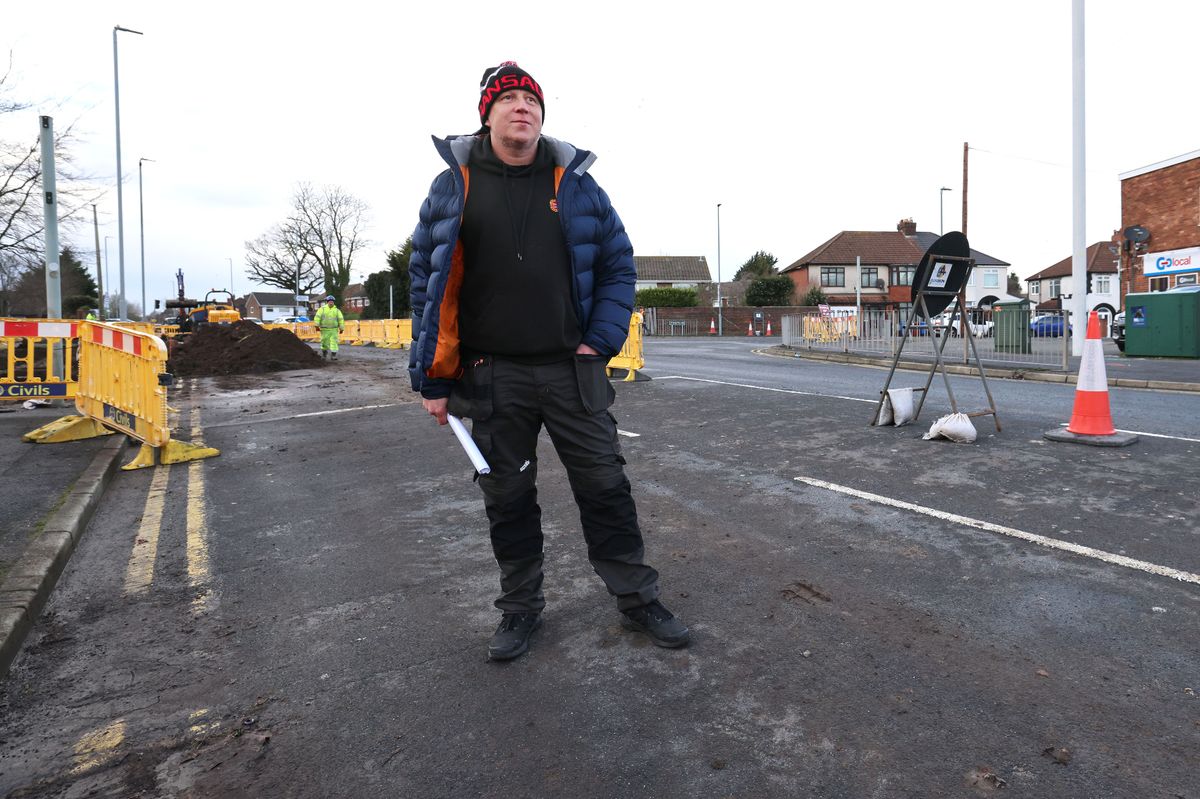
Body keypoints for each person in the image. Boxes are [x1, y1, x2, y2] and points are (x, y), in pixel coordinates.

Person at [408, 61, 688, 661]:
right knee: (507, 498)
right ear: (486, 115)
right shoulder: (451, 187)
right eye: (507, 99)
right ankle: (519, 610)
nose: (521, 108)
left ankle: (638, 601)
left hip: (571, 370)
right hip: (490, 377)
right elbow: (424, 284)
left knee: (606, 486)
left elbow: (618, 267)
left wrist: (599, 342)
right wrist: (431, 377)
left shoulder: (577, 185)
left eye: (530, 100)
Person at [314, 295, 344, 360]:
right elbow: (317, 317)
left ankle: (333, 355)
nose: (331, 303)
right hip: (324, 329)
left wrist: (341, 328)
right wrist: (316, 326)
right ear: (327, 302)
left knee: (334, 342)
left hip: (334, 329)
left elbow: (341, 319)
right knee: (324, 342)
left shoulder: (337, 310)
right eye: (330, 301)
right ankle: (324, 354)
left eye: (332, 301)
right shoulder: (322, 309)